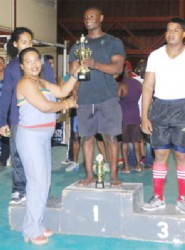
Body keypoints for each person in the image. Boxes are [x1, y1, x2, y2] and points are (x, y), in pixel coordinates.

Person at [16, 47, 78, 245]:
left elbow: (62, 90)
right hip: (30, 137)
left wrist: (76, 74)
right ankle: (31, 229)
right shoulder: (25, 83)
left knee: (44, 182)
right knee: (37, 183)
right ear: (21, 66)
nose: (34, 64)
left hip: (44, 137)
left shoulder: (41, 81)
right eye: (29, 61)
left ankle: (36, 223)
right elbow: (44, 106)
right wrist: (66, 105)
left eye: (36, 60)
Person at [69, 7, 125, 186]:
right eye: (85, 17)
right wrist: (74, 92)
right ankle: (89, 176)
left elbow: (118, 68)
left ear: (101, 18)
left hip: (108, 97)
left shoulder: (113, 42)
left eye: (91, 16)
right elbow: (73, 74)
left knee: (111, 137)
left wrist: (95, 64)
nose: (88, 19)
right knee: (86, 138)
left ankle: (114, 175)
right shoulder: (78, 46)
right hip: (85, 99)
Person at [0, 27, 56, 204]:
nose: (28, 45)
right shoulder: (11, 68)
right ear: (15, 44)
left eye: (30, 42)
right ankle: (19, 190)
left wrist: (56, 106)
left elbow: (53, 87)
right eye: (24, 42)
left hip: (42, 117)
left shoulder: (43, 63)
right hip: (19, 119)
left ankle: (39, 191)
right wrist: (2, 120)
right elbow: (7, 95)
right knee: (18, 155)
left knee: (41, 158)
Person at [142, 18, 185, 212]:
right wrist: (144, 116)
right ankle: (158, 197)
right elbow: (148, 86)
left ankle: (182, 198)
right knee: (160, 154)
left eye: (176, 30)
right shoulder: (155, 56)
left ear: (183, 34)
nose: (171, 33)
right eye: (168, 30)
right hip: (160, 108)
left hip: (182, 108)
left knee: (181, 155)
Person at [118, 60, 142, 173]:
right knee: (136, 141)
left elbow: (116, 100)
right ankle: (138, 165)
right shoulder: (138, 83)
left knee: (124, 142)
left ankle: (126, 167)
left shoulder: (121, 84)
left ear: (123, 70)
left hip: (124, 116)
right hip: (136, 115)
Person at [0, 56, 10, 167]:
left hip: (6, 112)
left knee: (6, 136)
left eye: (1, 63)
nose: (0, 65)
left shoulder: (8, 79)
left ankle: (5, 159)